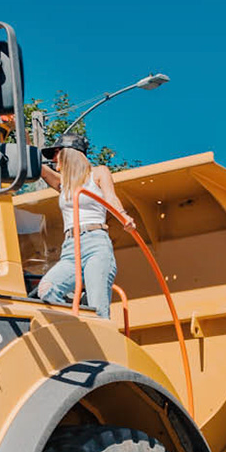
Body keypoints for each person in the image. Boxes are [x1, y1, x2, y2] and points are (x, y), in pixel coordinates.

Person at [36, 133, 135, 319]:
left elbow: (111, 197)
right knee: (47, 289)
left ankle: (100, 340)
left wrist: (123, 216)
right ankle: (73, 327)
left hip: (95, 244)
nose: (54, 162)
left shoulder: (98, 173)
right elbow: (36, 165)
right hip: (70, 249)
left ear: (69, 154)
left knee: (98, 310)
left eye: (57, 156)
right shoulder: (63, 183)